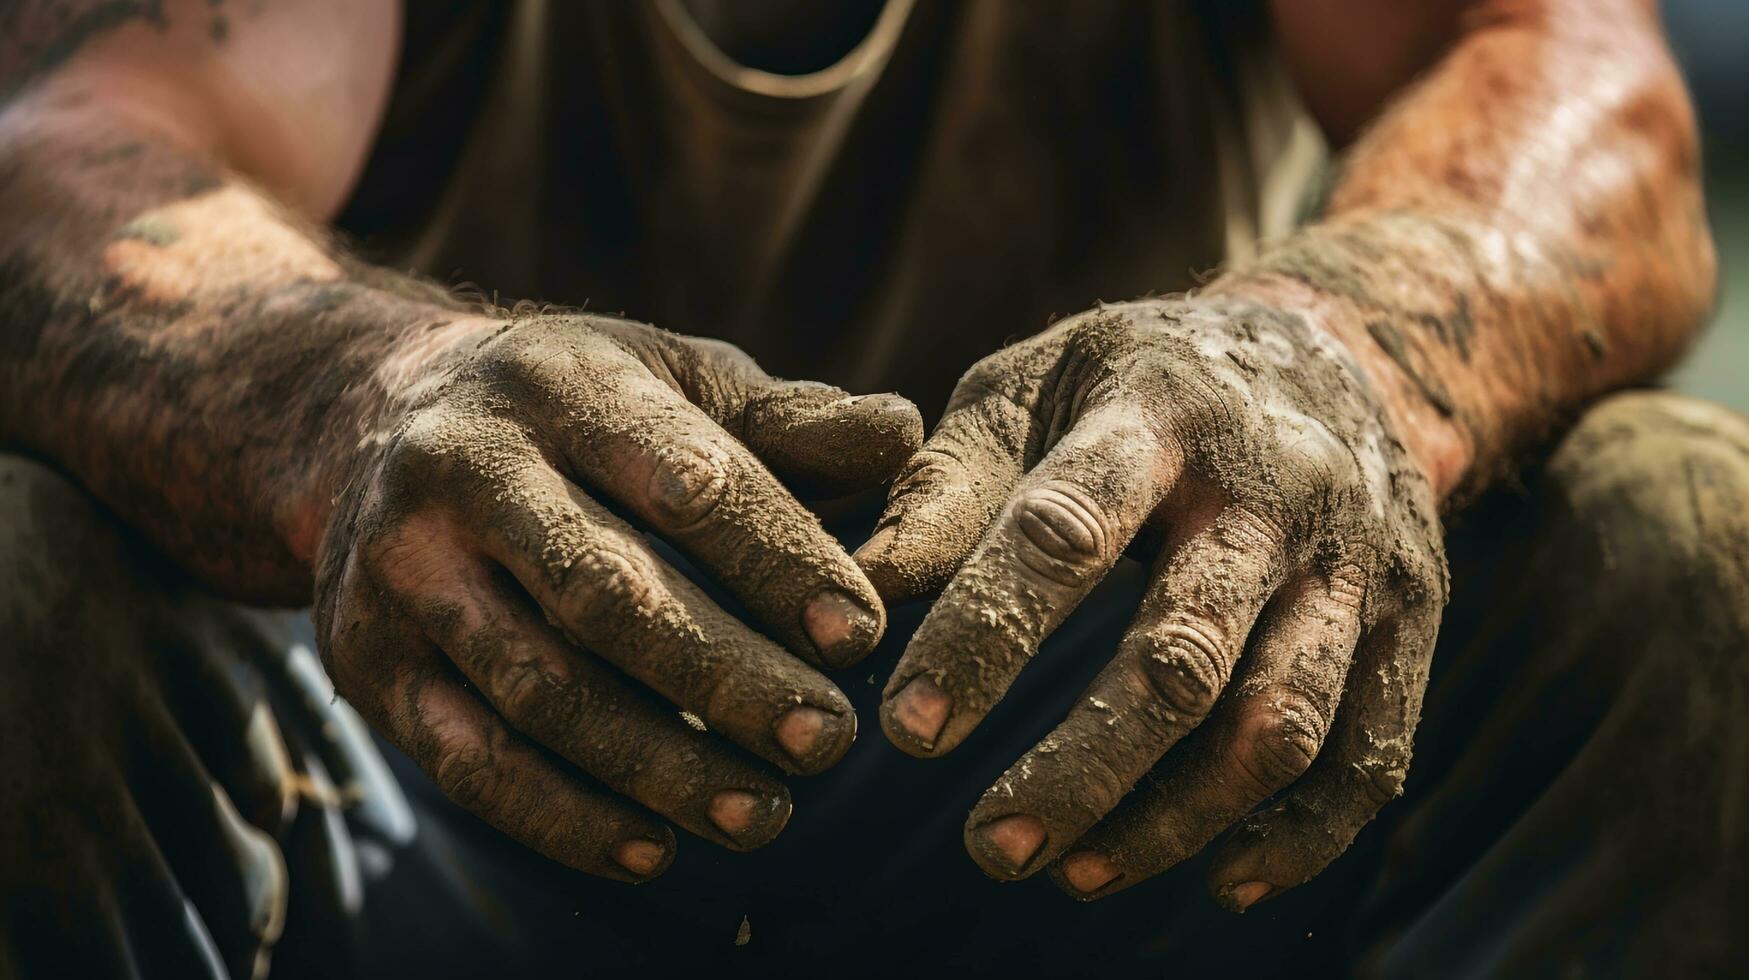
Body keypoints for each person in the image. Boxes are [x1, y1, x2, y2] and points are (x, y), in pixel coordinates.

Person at [1, 0, 1744, 976]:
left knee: (1688, 544)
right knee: (21, 575)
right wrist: (362, 395)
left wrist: (1338, 353)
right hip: (450, 776)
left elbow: (1577, 80)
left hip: (1148, 776)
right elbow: (69, 151)